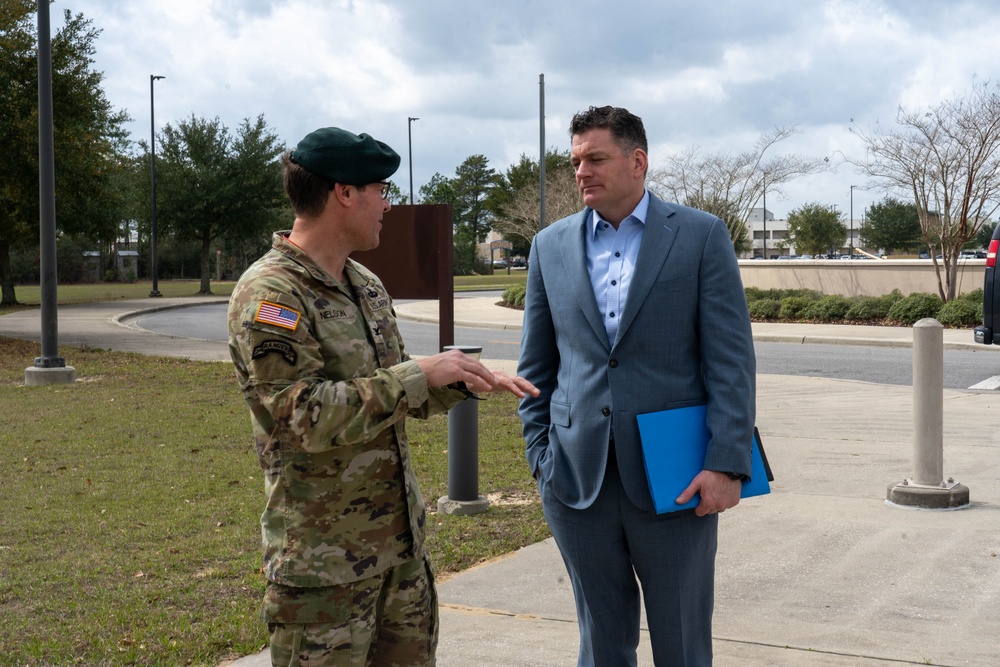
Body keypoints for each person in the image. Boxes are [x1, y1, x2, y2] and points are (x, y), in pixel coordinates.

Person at [227, 126, 538, 667]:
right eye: (381, 189)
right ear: (344, 192)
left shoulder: (365, 283)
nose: (388, 205)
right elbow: (297, 416)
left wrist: (459, 380)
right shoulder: (272, 292)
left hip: (400, 554)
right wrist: (420, 373)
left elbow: (399, 397)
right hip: (323, 570)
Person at [517, 106, 756, 666]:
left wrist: (727, 463)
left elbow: (731, 361)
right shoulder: (548, 246)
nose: (581, 172)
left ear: (637, 161)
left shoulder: (700, 236)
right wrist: (540, 458)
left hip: (676, 480)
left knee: (682, 643)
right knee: (601, 643)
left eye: (595, 158)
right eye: (575, 161)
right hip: (577, 482)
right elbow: (536, 366)